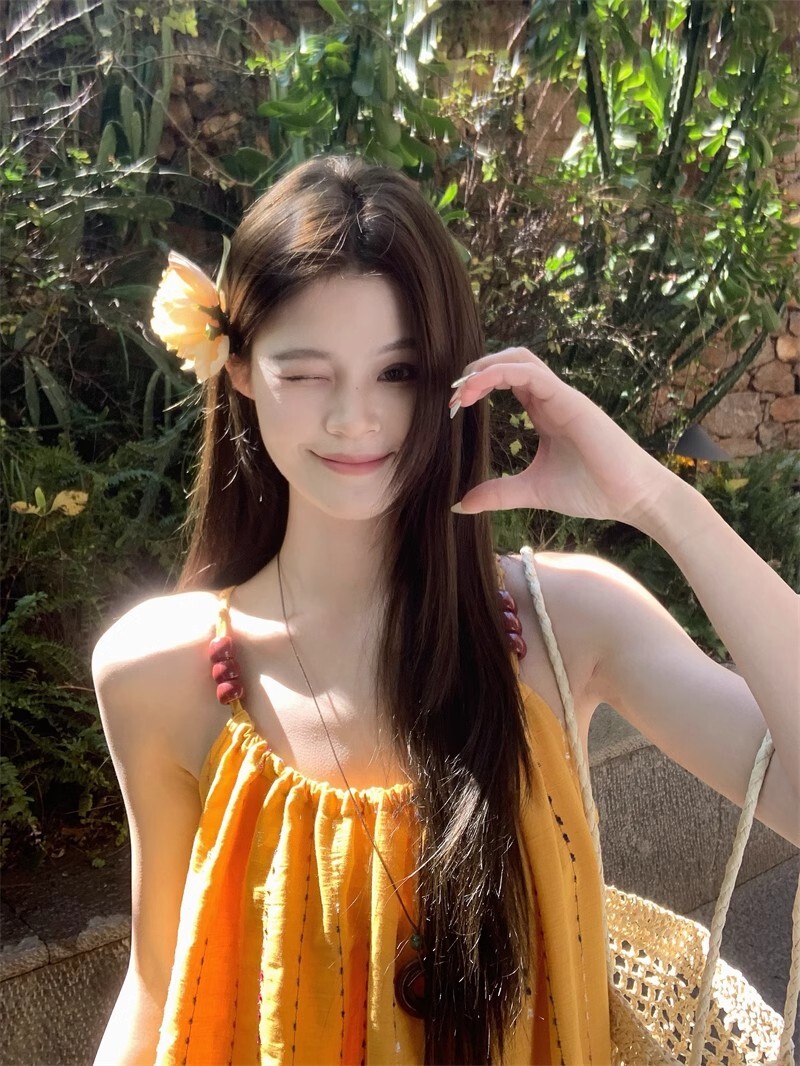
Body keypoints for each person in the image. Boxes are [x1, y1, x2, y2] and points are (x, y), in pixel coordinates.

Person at [91, 154, 798, 1066]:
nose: (354, 419)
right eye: (305, 374)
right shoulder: (156, 670)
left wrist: (661, 504)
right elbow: (159, 982)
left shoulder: (559, 623)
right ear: (239, 371)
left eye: (399, 372)